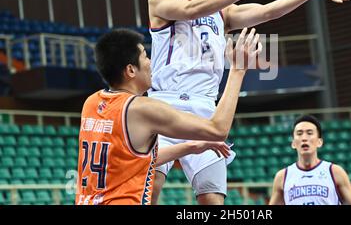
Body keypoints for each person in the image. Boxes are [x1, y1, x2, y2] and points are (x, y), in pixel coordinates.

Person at [147, 0, 351, 205]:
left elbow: (268, 11)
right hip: (164, 104)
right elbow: (189, 10)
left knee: (212, 200)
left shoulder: (224, 14)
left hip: (206, 110)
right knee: (149, 189)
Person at [76, 27, 260, 205]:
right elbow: (218, 129)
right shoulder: (142, 109)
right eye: (145, 57)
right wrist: (237, 70)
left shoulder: (91, 104)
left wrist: (191, 146)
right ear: (131, 70)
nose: (151, 63)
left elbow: (129, 161)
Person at [269, 115, 351, 205]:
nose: (304, 138)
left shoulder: (334, 172)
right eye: (299, 134)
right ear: (293, 143)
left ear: (319, 142)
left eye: (309, 133)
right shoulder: (283, 176)